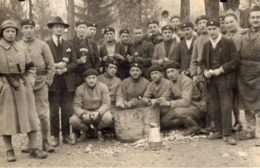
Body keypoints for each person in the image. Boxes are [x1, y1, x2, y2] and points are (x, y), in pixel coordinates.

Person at [0, 20, 47, 162]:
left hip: (23, 87)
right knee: (7, 120)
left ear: (16, 33)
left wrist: (30, 81)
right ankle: (9, 150)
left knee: (31, 117)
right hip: (6, 88)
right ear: (2, 33)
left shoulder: (21, 48)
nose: (10, 34)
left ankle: (34, 148)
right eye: (7, 31)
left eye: (13, 31)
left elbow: (31, 68)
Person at [18, 19, 55, 153]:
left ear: (35, 29)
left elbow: (51, 66)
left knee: (43, 114)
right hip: (25, 84)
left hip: (41, 82)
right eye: (26, 27)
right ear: (21, 29)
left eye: (31, 28)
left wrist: (47, 82)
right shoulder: (17, 45)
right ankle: (32, 144)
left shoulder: (42, 45)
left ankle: (46, 141)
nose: (28, 30)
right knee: (28, 115)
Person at [200, 19, 239, 145]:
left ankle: (228, 134)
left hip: (225, 79)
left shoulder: (228, 42)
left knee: (226, 106)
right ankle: (217, 130)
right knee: (214, 106)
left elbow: (235, 60)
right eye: (209, 29)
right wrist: (205, 71)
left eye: (214, 29)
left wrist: (221, 69)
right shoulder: (206, 45)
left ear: (219, 28)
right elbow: (202, 63)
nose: (211, 32)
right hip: (211, 81)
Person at [46, 16, 78, 146]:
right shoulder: (46, 44)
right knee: (53, 111)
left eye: (61, 27)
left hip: (67, 83)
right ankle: (54, 136)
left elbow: (75, 63)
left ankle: (66, 135)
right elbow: (43, 63)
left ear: (64, 29)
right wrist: (55, 67)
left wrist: (65, 70)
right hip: (52, 83)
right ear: (52, 28)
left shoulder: (69, 44)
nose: (59, 29)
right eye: (56, 26)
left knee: (67, 111)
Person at [154, 62, 205, 136]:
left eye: (172, 71)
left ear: (178, 70)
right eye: (168, 72)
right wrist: (153, 101)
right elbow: (166, 96)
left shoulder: (186, 81)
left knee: (178, 112)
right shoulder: (171, 82)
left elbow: (186, 102)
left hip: (196, 106)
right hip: (182, 107)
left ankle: (195, 126)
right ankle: (185, 124)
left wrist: (168, 103)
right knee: (164, 121)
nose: (170, 74)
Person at [237, 6, 260, 146]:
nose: (256, 20)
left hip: (259, 71)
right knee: (247, 103)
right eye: (253, 17)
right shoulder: (244, 34)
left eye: (258, 17)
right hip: (244, 72)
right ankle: (250, 130)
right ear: (249, 19)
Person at [70, 69, 112, 142]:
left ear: (97, 78)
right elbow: (76, 105)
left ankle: (99, 130)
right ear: (85, 79)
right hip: (86, 112)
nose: (91, 80)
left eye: (93, 77)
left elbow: (106, 103)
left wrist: (98, 112)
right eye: (89, 78)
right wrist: (82, 114)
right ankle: (88, 131)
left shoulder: (103, 87)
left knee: (108, 118)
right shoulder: (80, 89)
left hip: (99, 112)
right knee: (73, 120)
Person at [189, 15, 211, 133]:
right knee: (205, 99)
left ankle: (218, 124)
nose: (203, 25)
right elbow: (194, 59)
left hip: (213, 72)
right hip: (201, 74)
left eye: (205, 22)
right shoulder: (197, 41)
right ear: (197, 26)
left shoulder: (214, 36)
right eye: (200, 23)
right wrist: (194, 74)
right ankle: (207, 123)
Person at [224, 13, 245, 132]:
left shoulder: (244, 34)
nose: (229, 24)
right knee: (234, 96)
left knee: (247, 95)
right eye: (227, 23)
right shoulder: (225, 37)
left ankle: (252, 125)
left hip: (243, 69)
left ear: (236, 21)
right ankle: (238, 121)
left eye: (231, 21)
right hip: (231, 71)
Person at [70, 20, 99, 86]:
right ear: (76, 28)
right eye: (80, 27)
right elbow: (68, 61)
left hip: (90, 77)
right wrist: (78, 61)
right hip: (75, 76)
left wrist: (94, 73)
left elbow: (97, 61)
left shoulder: (93, 44)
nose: (82, 30)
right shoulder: (70, 43)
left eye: (84, 27)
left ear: (86, 29)